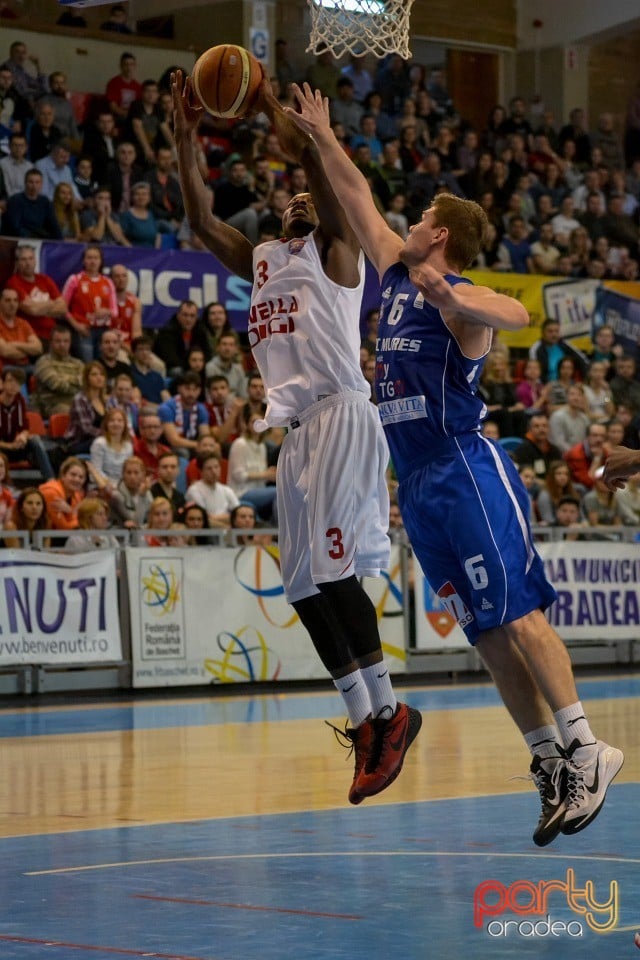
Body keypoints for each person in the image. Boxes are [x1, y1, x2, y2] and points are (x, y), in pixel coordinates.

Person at [289, 81, 624, 843]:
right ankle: (549, 763)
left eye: (420, 218)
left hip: (467, 468)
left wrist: (463, 301)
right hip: (420, 485)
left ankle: (586, 745)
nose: (404, 224)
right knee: (486, 634)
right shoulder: (398, 273)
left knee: (521, 615)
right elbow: (359, 197)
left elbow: (519, 315)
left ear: (440, 235)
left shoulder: (455, 297)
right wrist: (321, 137)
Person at [173, 68, 420, 806]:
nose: (304, 199)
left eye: (313, 195)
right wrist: (188, 141)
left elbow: (317, 172)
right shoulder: (263, 259)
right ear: (280, 214)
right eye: (295, 199)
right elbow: (198, 220)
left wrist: (281, 112)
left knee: (336, 575)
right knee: (304, 584)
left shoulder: (336, 252)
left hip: (343, 412)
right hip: (298, 432)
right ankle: (364, 722)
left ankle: (391, 710)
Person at [62, 245, 118, 362]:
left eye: (96, 258)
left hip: (103, 330)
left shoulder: (108, 282)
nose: (93, 261)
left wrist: (106, 311)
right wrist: (76, 325)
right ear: (83, 260)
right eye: (89, 258)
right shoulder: (75, 280)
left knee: (102, 364)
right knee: (88, 364)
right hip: (83, 330)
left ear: (101, 261)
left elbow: (115, 312)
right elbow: (63, 308)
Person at [33, 323, 84, 416]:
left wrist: (64, 378)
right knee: (73, 412)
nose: (62, 345)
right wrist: (77, 381)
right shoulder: (44, 362)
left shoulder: (78, 363)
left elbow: (86, 383)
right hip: (52, 406)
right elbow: (57, 385)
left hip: (77, 404)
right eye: (58, 341)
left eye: (66, 341)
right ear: (51, 342)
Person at [63, 360, 107, 455]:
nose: (99, 377)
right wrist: (108, 435)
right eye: (94, 375)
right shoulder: (80, 399)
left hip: (101, 440)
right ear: (87, 379)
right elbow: (86, 429)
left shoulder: (106, 400)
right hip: (79, 443)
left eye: (101, 374)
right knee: (103, 442)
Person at [39, 456, 87, 530]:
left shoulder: (77, 495)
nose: (77, 479)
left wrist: (70, 511)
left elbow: (77, 522)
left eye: (81, 477)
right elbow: (63, 527)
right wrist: (73, 513)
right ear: (63, 476)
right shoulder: (51, 492)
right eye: (73, 475)